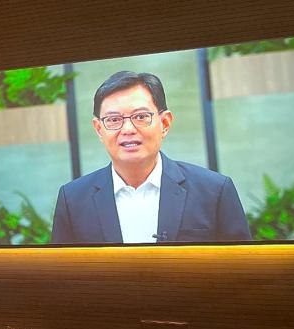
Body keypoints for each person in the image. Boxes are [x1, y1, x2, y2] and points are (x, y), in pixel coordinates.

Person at [52, 71, 251, 244]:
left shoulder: (214, 191)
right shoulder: (73, 199)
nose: (127, 129)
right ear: (98, 129)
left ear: (165, 123)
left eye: (140, 117)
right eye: (113, 119)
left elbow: (242, 268)